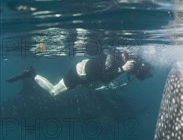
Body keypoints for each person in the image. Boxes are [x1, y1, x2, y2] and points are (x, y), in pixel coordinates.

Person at [6, 51, 153, 97]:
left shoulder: (120, 59)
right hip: (78, 74)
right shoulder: (113, 60)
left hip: (84, 74)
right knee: (53, 92)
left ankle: (32, 74)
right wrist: (122, 70)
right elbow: (104, 78)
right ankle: (32, 74)